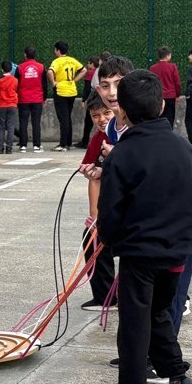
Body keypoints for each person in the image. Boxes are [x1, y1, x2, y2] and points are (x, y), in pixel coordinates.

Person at [94, 69, 192, 384]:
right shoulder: (182, 147)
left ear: (121, 111)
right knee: (158, 314)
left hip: (142, 255)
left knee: (134, 331)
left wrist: (108, 240)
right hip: (178, 252)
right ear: (161, 105)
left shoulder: (124, 155)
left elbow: (110, 215)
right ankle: (178, 381)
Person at [77, 92, 117, 312]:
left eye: (107, 113)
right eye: (95, 115)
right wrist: (95, 218)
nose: (101, 119)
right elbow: (94, 178)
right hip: (112, 208)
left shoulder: (128, 135)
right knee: (92, 238)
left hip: (135, 209)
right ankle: (105, 297)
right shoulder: (97, 139)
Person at [47, 41, 86, 151]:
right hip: (72, 91)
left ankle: (63, 144)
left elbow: (50, 72)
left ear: (58, 51)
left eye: (55, 49)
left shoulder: (57, 61)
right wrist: (75, 80)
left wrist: (54, 82)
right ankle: (68, 142)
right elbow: (84, 70)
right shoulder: (72, 60)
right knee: (67, 116)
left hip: (61, 91)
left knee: (63, 118)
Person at [16, 46, 47, 152]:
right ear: (35, 55)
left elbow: (16, 84)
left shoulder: (19, 68)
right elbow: (44, 84)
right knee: (36, 122)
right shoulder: (41, 67)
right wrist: (44, 98)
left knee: (23, 122)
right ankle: (36, 145)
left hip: (23, 99)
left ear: (25, 55)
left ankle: (23, 145)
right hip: (37, 98)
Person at [149, 46, 182, 129]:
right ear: (168, 56)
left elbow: (151, 83)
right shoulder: (173, 67)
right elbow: (177, 83)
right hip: (170, 96)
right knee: (170, 118)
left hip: (158, 97)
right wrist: (177, 95)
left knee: (158, 118)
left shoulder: (152, 68)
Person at [75, 55, 100, 148]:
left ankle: (85, 141)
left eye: (89, 63)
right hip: (100, 99)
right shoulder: (101, 71)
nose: (87, 65)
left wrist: (83, 100)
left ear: (92, 64)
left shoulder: (90, 73)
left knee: (88, 121)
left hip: (92, 99)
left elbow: (87, 88)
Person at [0, 60, 19, 154]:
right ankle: (9, 147)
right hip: (12, 104)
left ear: (2, 69)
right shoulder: (15, 80)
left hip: (1, 105)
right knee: (11, 127)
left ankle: (0, 147)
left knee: (1, 127)